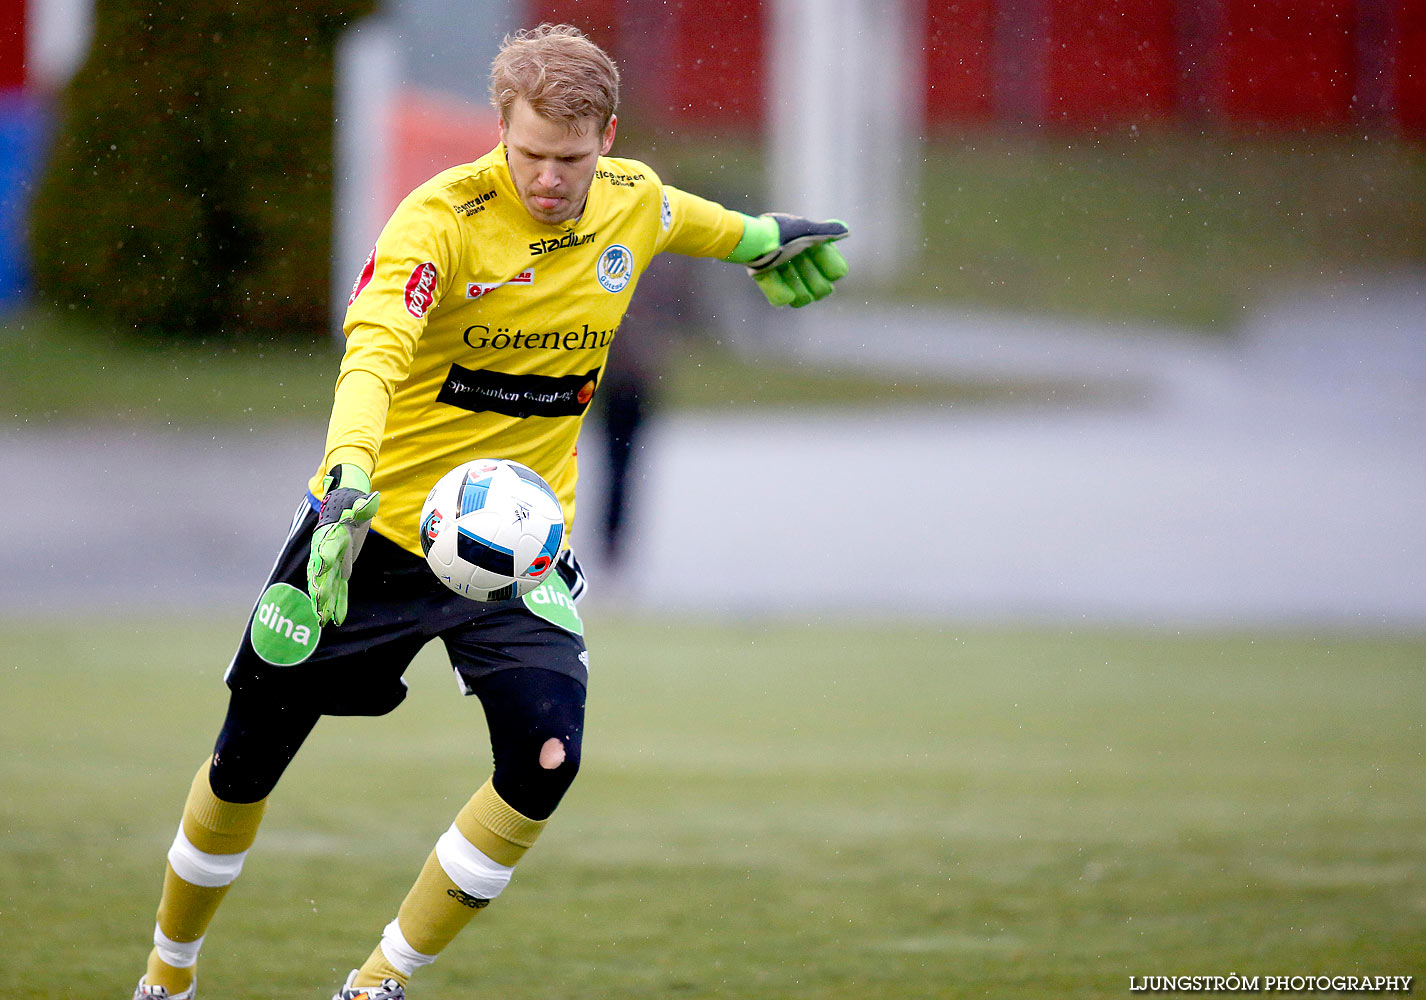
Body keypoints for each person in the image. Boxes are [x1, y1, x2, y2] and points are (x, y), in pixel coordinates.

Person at [131, 23, 849, 1000]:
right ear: (499, 132)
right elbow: (376, 349)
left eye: (570, 158)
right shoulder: (441, 219)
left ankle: (377, 981)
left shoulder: (629, 199)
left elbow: (684, 218)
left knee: (546, 756)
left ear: (606, 137)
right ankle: (168, 973)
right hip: (367, 532)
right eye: (527, 155)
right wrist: (347, 471)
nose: (547, 179)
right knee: (243, 763)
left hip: (516, 555)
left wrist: (764, 239)